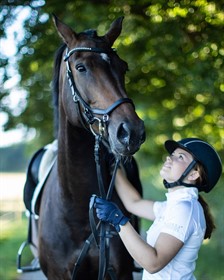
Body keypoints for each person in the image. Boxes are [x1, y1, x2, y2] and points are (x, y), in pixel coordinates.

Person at [94, 138, 222, 280]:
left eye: (180, 157)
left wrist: (118, 220)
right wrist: (114, 167)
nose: (169, 158)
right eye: (172, 154)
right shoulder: (174, 206)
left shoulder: (185, 209)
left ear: (194, 174)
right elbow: (134, 203)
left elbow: (153, 263)